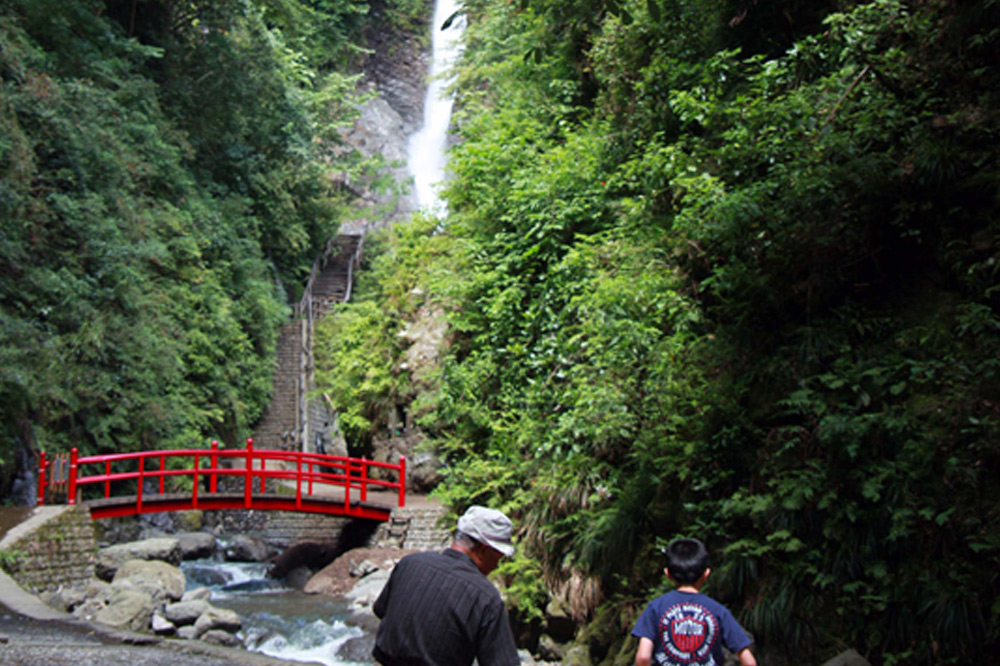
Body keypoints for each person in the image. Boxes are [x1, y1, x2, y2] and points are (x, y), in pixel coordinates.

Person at [372, 505, 521, 666]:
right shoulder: (485, 597)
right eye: (498, 558)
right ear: (483, 550)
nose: (496, 566)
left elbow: (380, 610)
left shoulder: (409, 563)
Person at [632, 538, 756, 666]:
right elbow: (749, 662)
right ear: (706, 574)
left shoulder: (656, 607)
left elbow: (643, 657)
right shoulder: (719, 611)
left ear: (667, 573)